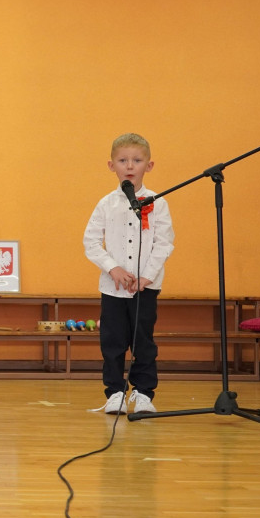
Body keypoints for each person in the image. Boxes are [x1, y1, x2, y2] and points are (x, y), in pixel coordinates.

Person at [84, 133, 174, 415]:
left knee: (143, 341)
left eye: (137, 160)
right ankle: (115, 393)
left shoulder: (157, 202)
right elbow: (90, 241)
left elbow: (164, 242)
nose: (130, 166)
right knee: (112, 342)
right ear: (112, 166)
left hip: (145, 289)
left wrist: (146, 276)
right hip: (113, 289)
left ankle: (144, 393)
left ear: (149, 165)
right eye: (123, 161)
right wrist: (114, 268)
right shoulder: (106, 204)